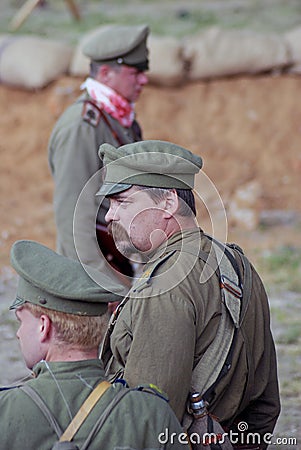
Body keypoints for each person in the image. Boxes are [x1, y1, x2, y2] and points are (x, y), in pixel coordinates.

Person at [97, 140, 281, 449]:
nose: (109, 216)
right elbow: (265, 404)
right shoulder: (237, 265)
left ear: (168, 203)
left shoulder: (165, 287)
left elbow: (148, 424)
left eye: (122, 202)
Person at [0, 239, 189, 450]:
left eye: (21, 321)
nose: (18, 333)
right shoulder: (151, 415)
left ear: (44, 327)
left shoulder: (5, 410)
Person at [48, 24, 149, 284]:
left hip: (119, 261)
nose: (143, 80)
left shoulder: (119, 118)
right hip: (97, 272)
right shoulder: (82, 128)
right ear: (105, 73)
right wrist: (103, 283)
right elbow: (74, 217)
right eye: (135, 72)